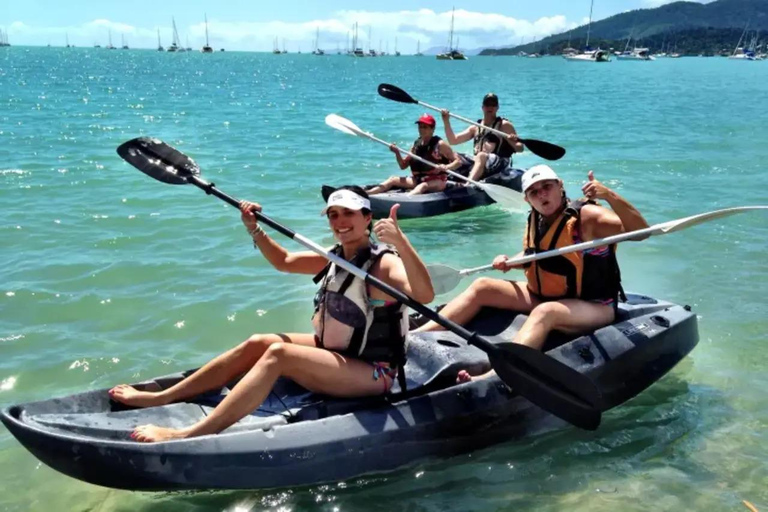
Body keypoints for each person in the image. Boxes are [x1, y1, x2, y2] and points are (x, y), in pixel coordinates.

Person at [109, 186, 435, 442]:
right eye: (333, 215)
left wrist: (402, 243)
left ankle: (193, 432)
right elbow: (284, 262)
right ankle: (163, 397)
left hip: (374, 373)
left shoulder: (383, 263)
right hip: (336, 353)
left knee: (278, 353)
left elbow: (424, 295)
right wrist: (254, 229)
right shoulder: (336, 257)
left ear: (367, 218)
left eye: (348, 213)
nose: (339, 221)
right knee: (259, 342)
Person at [414, 165, 649, 381]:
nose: (542, 195)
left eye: (547, 187)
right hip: (546, 295)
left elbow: (641, 232)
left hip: (593, 305)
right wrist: (510, 262)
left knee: (545, 312)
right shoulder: (537, 217)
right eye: (534, 192)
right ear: (527, 199)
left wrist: (609, 195)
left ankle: (496, 375)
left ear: (560, 186)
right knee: (483, 286)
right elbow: (537, 254)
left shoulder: (587, 218)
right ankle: (415, 338)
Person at [367, 114, 462, 196]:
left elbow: (458, 161)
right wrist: (397, 153)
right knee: (392, 179)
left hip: (438, 181)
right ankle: (369, 194)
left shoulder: (440, 144)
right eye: (420, 127)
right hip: (418, 179)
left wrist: (446, 166)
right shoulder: (416, 145)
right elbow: (403, 165)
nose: (421, 129)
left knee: (423, 186)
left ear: (432, 129)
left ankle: (406, 200)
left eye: (425, 127)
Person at [441, 93, 524, 182]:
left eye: (493, 105)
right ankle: (443, 179)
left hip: (500, 162)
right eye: (487, 105)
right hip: (480, 161)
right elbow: (453, 140)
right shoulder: (475, 127)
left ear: (497, 108)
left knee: (481, 156)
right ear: (483, 107)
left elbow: (520, 148)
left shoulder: (504, 125)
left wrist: (512, 140)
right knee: (454, 155)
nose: (490, 107)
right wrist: (446, 121)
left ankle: (469, 184)